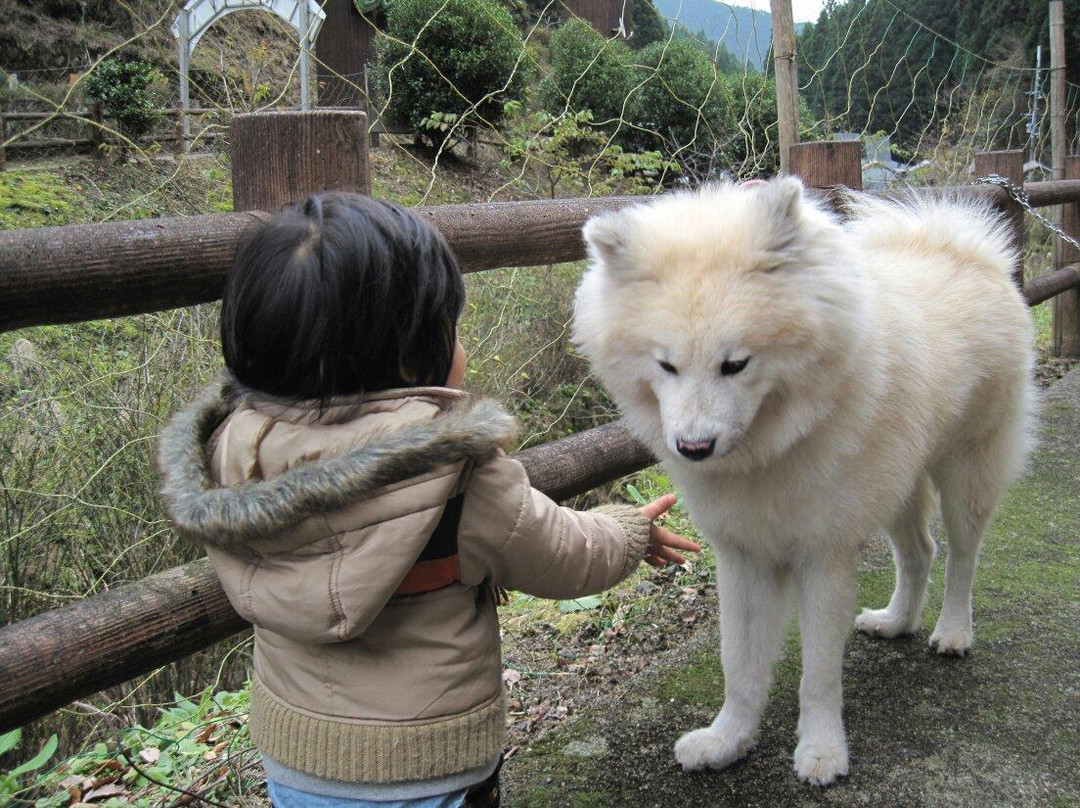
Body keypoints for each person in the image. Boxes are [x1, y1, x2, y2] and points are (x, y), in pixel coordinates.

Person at [157, 193, 698, 808]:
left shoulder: (229, 455)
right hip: (429, 766)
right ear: (413, 354)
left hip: (295, 762)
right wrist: (626, 529)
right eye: (451, 325)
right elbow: (565, 555)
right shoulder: (456, 474)